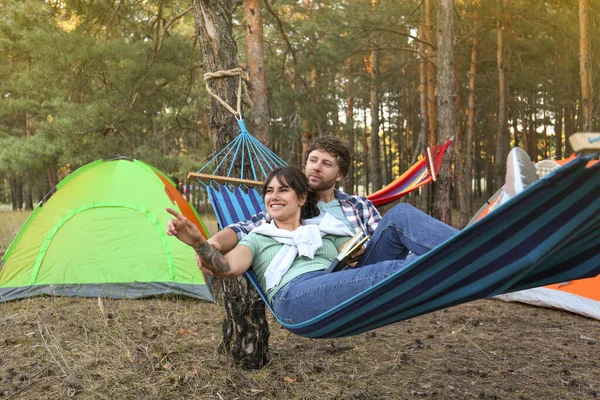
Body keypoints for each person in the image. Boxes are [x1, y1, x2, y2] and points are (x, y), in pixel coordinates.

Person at [167, 166, 457, 324]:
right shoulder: (258, 236)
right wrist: (199, 243)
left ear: (302, 199)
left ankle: (463, 252)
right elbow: (225, 267)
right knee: (391, 272)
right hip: (295, 298)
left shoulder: (325, 230)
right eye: (269, 191)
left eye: (283, 190)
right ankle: (456, 267)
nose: (273, 196)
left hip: (339, 283)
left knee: (400, 216)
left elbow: (360, 261)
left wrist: (354, 253)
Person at [197, 136, 458, 276]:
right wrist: (214, 243)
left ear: (340, 174)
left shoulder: (359, 205)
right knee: (401, 216)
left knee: (401, 215)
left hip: (369, 266)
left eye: (326, 163)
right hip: (329, 274)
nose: (315, 168)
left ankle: (464, 252)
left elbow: (384, 240)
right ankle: (461, 255)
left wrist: (359, 251)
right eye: (312, 160)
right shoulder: (291, 204)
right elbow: (244, 228)